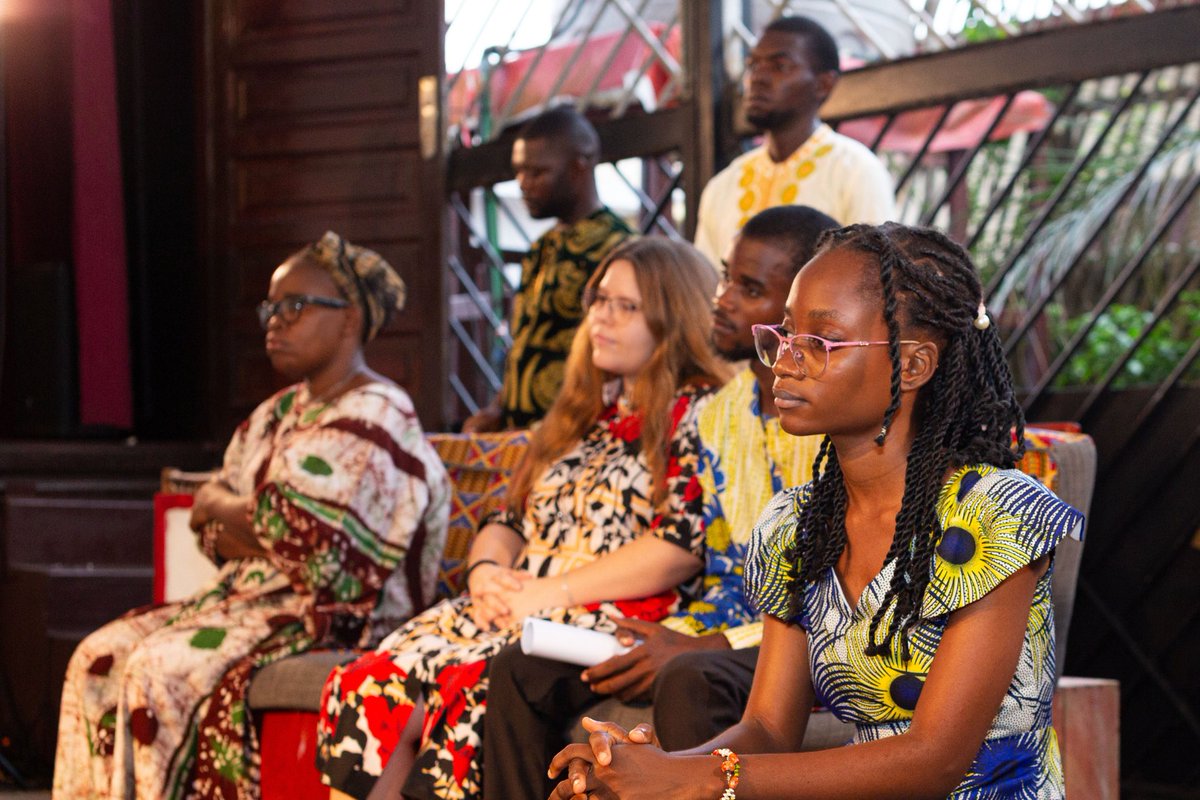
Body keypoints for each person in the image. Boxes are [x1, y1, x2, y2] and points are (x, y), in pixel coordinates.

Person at [549, 222, 1085, 799]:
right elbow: (768, 729)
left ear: (912, 365)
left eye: (822, 342)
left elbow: (935, 759)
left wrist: (695, 780)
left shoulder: (994, 517)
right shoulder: (799, 528)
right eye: (784, 334)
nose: (786, 359)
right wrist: (640, 771)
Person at [315, 237, 730, 800]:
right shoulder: (581, 410)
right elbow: (508, 517)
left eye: (625, 306)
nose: (600, 317)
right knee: (370, 682)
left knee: (453, 690)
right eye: (598, 300)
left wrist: (545, 593)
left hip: (603, 610)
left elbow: (682, 544)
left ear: (674, 315)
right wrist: (485, 571)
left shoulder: (701, 411)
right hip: (516, 598)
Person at [52, 232, 450, 800]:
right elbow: (212, 531)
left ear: (350, 320)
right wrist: (253, 520)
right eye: (270, 307)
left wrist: (235, 511)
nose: (275, 322)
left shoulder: (378, 414)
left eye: (294, 306)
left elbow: (313, 550)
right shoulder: (276, 413)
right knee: (95, 657)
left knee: (160, 669)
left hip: (330, 618)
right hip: (244, 600)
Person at [482, 205, 838, 799]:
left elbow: (831, 590)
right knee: (523, 665)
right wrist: (669, 633)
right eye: (725, 277)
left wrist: (703, 644)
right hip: (719, 619)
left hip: (803, 638)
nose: (720, 299)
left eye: (747, 289)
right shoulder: (721, 413)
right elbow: (721, 563)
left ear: (802, 310)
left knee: (688, 674)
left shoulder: (833, 415)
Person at [463, 106, 633, 433]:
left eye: (537, 172)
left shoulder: (621, 250)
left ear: (578, 169)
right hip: (521, 438)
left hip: (581, 436)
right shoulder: (541, 249)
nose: (523, 184)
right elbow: (526, 344)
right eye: (519, 172)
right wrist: (497, 409)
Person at [693, 16, 896, 269]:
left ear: (823, 84)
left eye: (780, 66)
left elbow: (873, 278)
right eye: (753, 64)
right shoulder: (723, 186)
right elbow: (706, 288)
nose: (758, 77)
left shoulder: (856, 171)